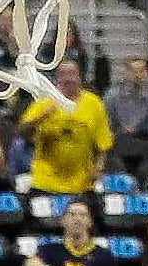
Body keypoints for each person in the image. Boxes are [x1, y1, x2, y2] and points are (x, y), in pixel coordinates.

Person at [21, 61, 113, 195]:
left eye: (72, 74)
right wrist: (41, 117)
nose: (68, 78)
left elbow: (103, 144)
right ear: (57, 78)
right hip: (45, 181)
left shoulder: (94, 104)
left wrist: (98, 168)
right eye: (63, 74)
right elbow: (22, 132)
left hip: (81, 184)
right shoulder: (44, 100)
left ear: (80, 76)